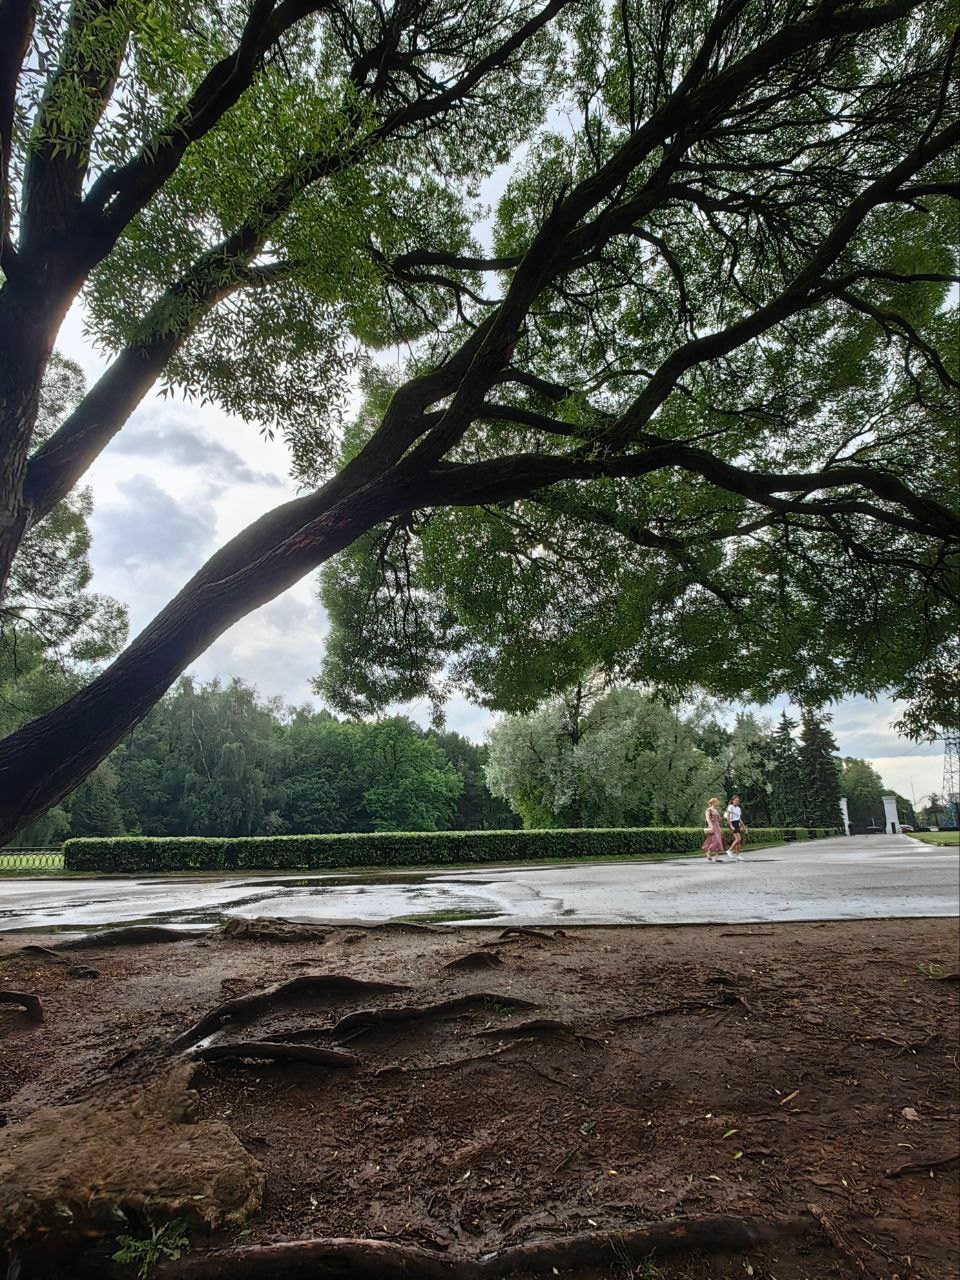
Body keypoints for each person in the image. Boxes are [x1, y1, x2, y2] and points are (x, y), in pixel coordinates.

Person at [702, 797, 726, 862]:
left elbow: (718, 820)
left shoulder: (716, 810)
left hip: (717, 826)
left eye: (717, 802)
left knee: (719, 841)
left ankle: (717, 857)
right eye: (716, 802)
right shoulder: (708, 809)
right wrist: (711, 826)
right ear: (712, 802)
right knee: (715, 840)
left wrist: (720, 828)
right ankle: (708, 852)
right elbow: (707, 818)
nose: (717, 803)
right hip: (712, 826)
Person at [724, 795, 746, 861]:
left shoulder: (739, 809)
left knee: (738, 841)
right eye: (736, 800)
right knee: (738, 839)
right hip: (732, 823)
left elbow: (739, 819)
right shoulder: (730, 807)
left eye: (738, 800)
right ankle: (729, 850)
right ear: (733, 801)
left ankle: (738, 855)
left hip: (737, 823)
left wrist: (743, 827)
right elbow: (728, 818)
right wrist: (731, 826)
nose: (737, 801)